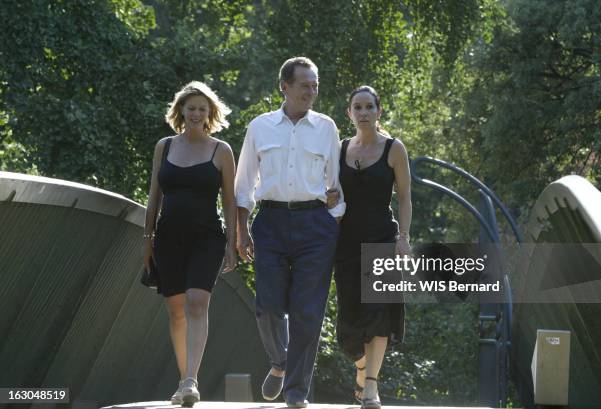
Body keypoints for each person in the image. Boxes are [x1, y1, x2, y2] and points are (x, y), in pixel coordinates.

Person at [234, 57, 345, 408]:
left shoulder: (326, 127)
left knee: (308, 312)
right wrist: (241, 231)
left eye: (315, 85)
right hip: (270, 222)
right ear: (284, 86)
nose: (311, 91)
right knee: (267, 306)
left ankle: (296, 393)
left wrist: (334, 219)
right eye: (304, 85)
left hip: (316, 226)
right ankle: (280, 362)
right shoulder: (260, 127)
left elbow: (338, 181)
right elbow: (243, 183)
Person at [142, 81, 237, 407]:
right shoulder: (164, 147)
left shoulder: (221, 150)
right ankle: (185, 382)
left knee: (197, 302)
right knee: (176, 311)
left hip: (207, 237)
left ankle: (190, 380)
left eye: (202, 108)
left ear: (210, 113)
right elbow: (154, 195)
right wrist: (147, 239)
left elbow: (229, 200)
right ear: (181, 110)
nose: (197, 113)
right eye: (191, 107)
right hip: (168, 237)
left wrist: (232, 242)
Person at [332, 85, 412, 409]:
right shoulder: (338, 150)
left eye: (369, 107)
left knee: (379, 315)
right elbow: (328, 194)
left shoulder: (394, 149)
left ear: (379, 111)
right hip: (346, 243)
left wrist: (403, 239)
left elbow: (405, 197)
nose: (363, 113)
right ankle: (363, 367)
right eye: (357, 107)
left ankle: (371, 389)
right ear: (349, 113)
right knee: (349, 328)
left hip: (382, 240)